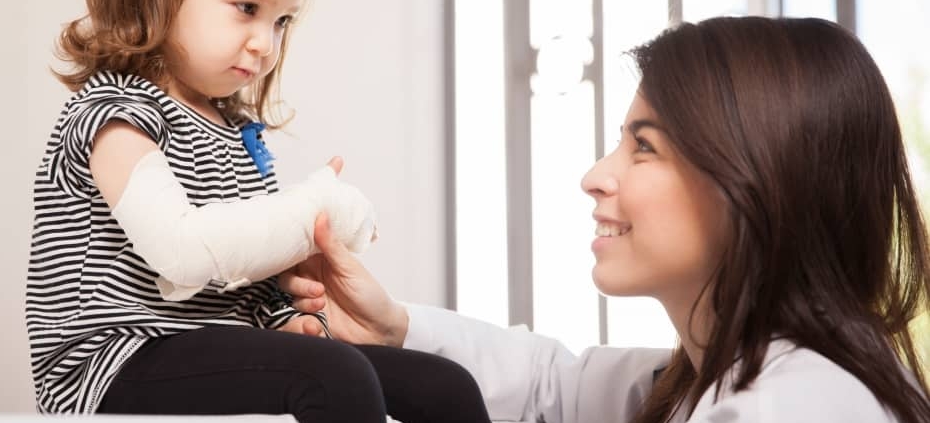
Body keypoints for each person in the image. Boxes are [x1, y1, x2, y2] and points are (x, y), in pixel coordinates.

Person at [281, 16, 930, 422]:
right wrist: (394, 324)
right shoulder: (717, 375)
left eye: (643, 145)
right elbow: (550, 388)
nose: (595, 175)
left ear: (756, 179)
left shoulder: (797, 406)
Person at [25, 0, 490, 421]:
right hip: (111, 360)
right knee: (334, 376)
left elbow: (247, 277)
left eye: (281, 21)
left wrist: (281, 317)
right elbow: (183, 252)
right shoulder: (115, 114)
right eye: (246, 8)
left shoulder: (238, 130)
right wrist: (308, 212)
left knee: (444, 385)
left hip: (207, 341)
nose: (265, 43)